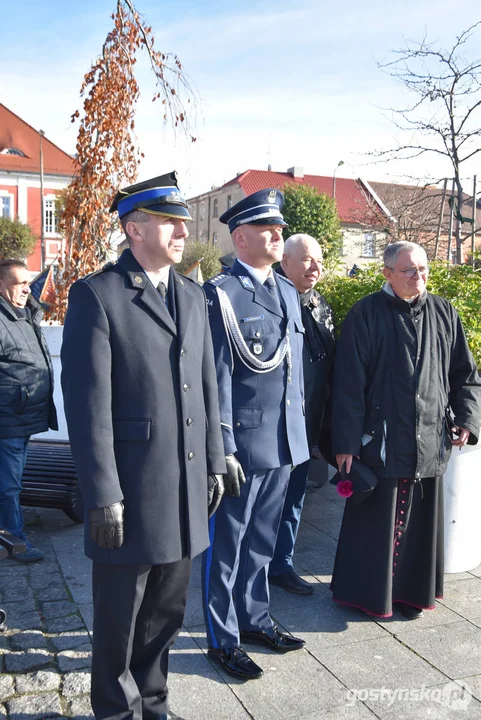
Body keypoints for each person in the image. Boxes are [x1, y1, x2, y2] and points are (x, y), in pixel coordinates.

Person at [61, 172, 226, 720]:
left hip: (184, 490)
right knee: (120, 619)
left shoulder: (194, 295)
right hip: (131, 490)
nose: (183, 230)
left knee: (166, 614)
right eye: (170, 221)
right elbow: (88, 408)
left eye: (182, 221)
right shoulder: (98, 295)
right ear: (134, 228)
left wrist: (217, 455)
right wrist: (102, 494)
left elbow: (207, 385)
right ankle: (114, 710)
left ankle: (153, 704)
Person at [331, 241, 481, 619]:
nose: (420, 277)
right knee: (375, 524)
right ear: (387, 274)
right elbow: (348, 383)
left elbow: (465, 375)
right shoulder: (365, 313)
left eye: (424, 269)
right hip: (380, 440)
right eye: (410, 270)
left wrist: (467, 418)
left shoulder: (445, 312)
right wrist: (346, 442)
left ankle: (413, 593)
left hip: (429, 437)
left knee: (419, 527)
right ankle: (368, 595)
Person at [202, 189, 310, 681]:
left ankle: (254, 617)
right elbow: (217, 377)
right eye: (268, 228)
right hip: (243, 444)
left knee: (263, 541)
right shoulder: (220, 293)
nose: (277, 235)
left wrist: (300, 434)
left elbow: (294, 374)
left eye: (280, 229)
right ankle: (222, 640)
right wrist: (222, 446)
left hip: (284, 440)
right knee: (227, 545)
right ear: (240, 237)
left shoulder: (287, 291)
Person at [269, 234, 335, 595]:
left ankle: (282, 564)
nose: (316, 267)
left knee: (294, 500)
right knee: (265, 504)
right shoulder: (271, 301)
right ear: (285, 263)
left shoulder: (321, 306)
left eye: (320, 261)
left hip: (307, 428)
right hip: (273, 427)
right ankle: (253, 565)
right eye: (308, 260)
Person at [0, 259, 58, 563]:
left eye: (27, 282)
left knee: (10, 483)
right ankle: (15, 543)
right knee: (8, 486)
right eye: (19, 283)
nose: (27, 288)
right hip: (7, 420)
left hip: (21, 419)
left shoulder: (24, 315)